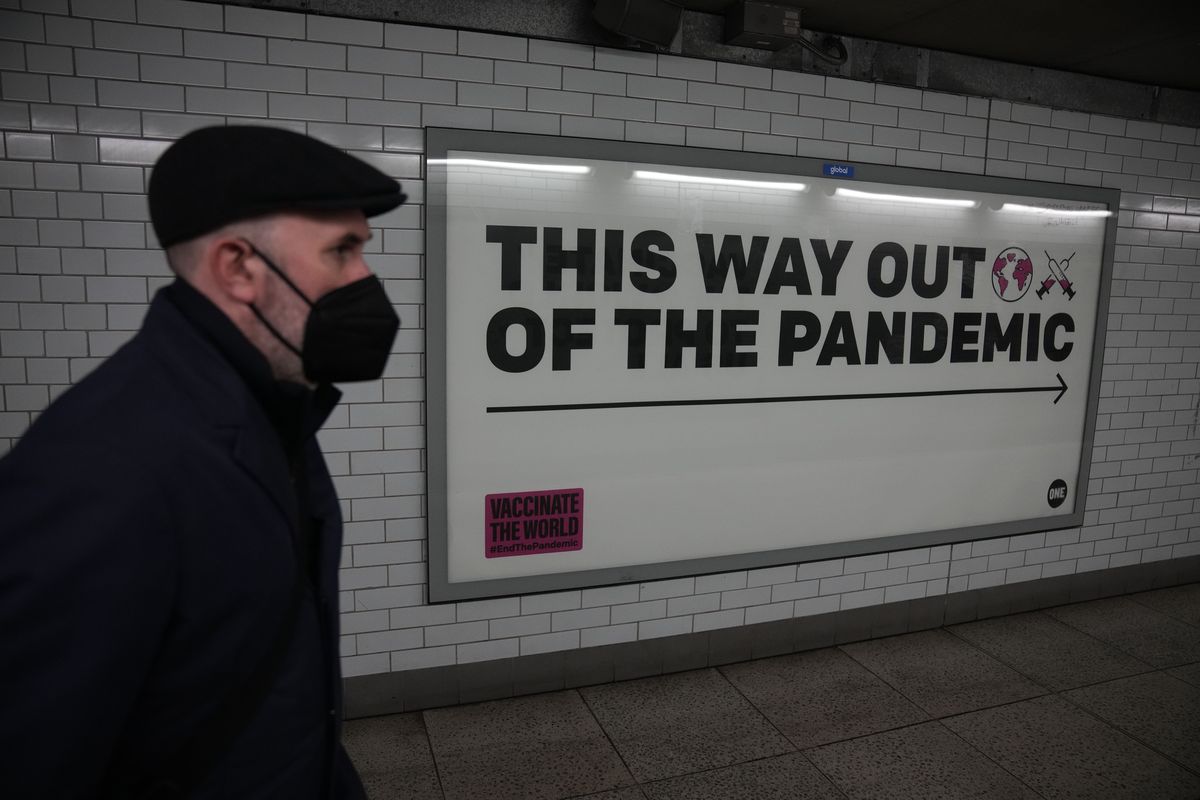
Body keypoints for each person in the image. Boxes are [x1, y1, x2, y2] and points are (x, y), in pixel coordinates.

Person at [0, 126, 406, 798]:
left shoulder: (272, 410)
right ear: (237, 268)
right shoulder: (101, 468)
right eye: (343, 251)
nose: (365, 279)